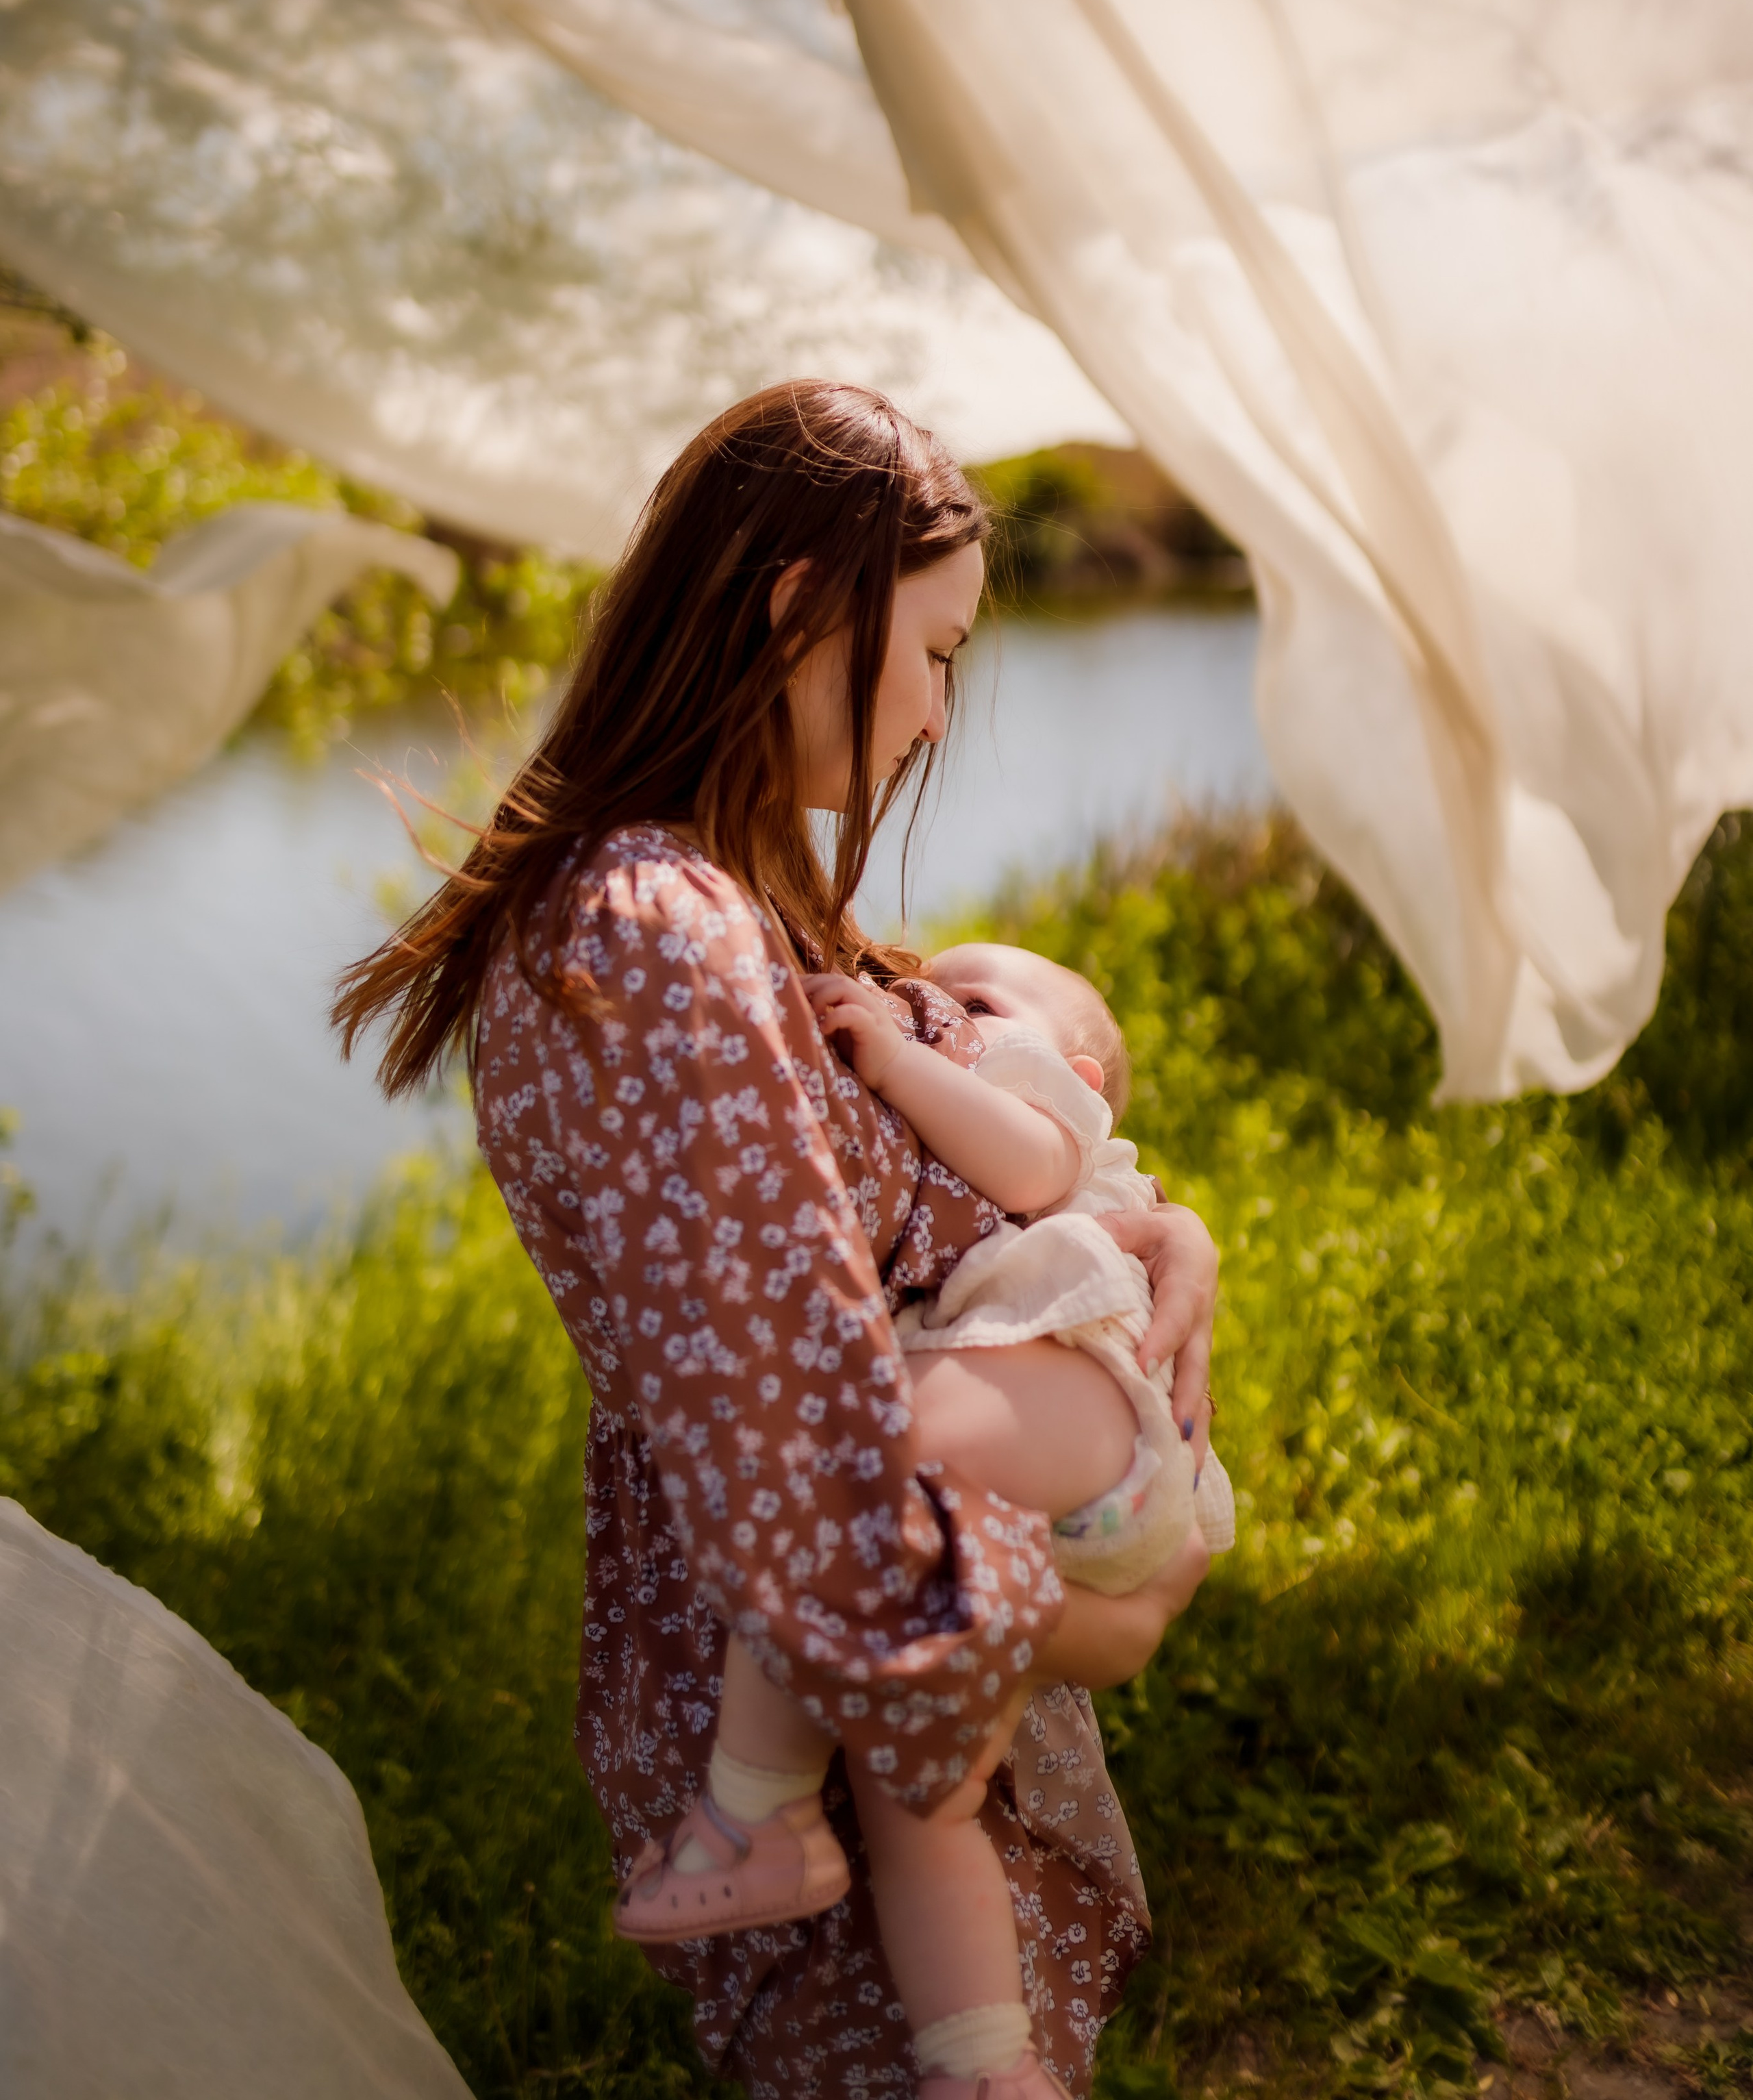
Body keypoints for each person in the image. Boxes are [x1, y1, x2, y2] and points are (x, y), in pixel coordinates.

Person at [333, 379, 1220, 2100]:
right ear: (804, 607)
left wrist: (1171, 1245)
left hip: (875, 1657)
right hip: (835, 1686)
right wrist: (1098, 1612)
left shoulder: (732, 899)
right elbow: (801, 1433)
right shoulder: (654, 937)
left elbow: (1000, 1176)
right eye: (937, 652)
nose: (941, 719)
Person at [613, 936, 1235, 2100]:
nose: (943, 1007)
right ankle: (985, 2061)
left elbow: (1037, 1167)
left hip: (1076, 1404)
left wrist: (899, 1057)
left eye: (978, 998)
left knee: (833, 1473)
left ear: (1083, 1078)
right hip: (1059, 1454)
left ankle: (751, 1808)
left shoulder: (1028, 1090)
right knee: (921, 1796)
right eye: (933, 994)